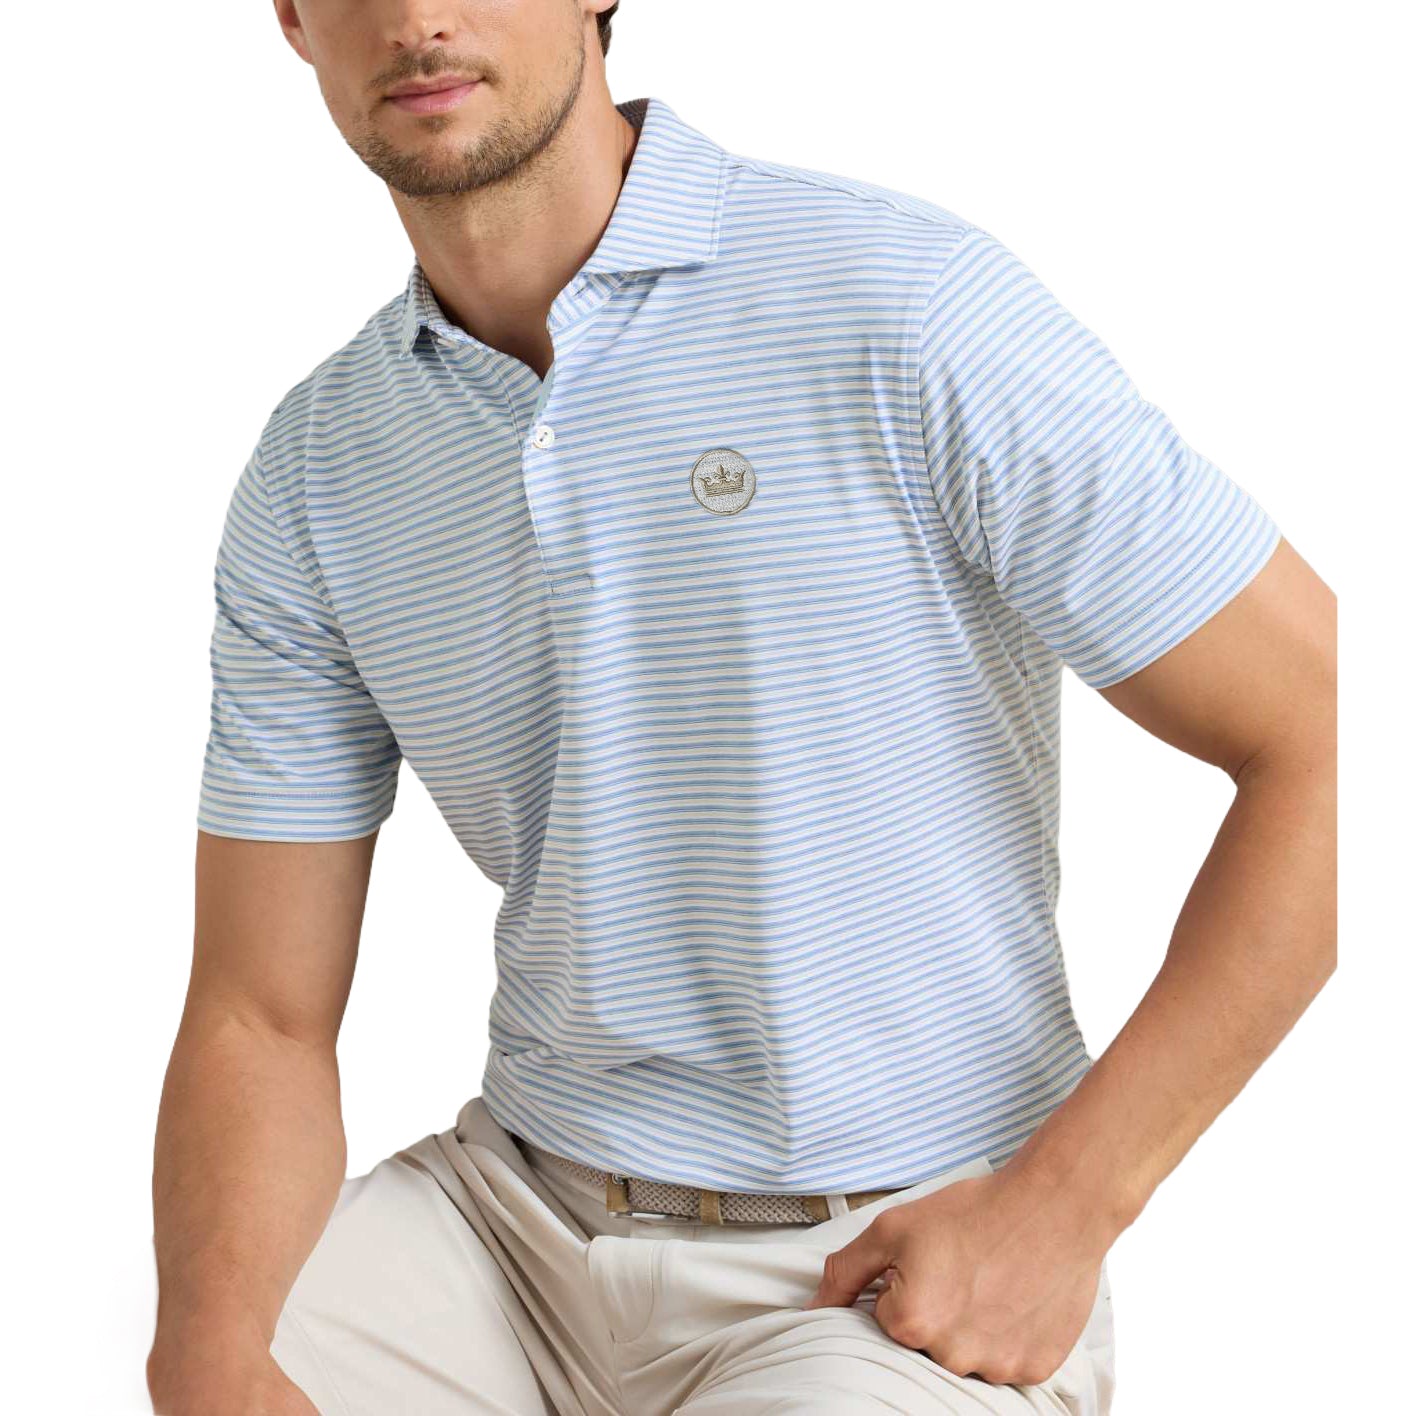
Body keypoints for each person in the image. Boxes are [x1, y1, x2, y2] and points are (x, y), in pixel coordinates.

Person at [145, 3, 1337, 1413]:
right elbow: (261, 1015)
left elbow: (1339, 733)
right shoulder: (320, 460)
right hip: (508, 1230)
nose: (419, 18)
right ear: (292, 16)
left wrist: (1065, 1208)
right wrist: (210, 1358)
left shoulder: (899, 303)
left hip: (886, 1258)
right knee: (230, 1345)